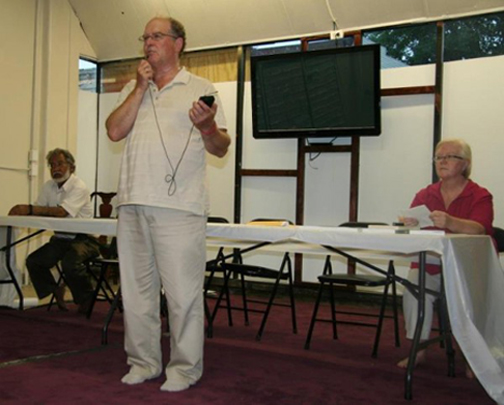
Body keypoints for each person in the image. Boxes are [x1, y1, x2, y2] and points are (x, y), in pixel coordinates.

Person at [105, 16, 230, 392]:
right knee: (137, 294)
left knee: (182, 296)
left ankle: (184, 369)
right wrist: (140, 87)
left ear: (178, 43)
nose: (148, 43)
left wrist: (207, 127)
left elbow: (222, 145)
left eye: (157, 36)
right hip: (132, 202)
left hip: (179, 209)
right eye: (145, 37)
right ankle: (143, 362)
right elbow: (114, 130)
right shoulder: (133, 87)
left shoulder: (200, 87)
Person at [397, 138, 494, 376]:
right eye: (438, 157)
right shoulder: (425, 194)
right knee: (412, 286)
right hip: (430, 262)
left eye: (450, 156)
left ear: (465, 164)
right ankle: (418, 349)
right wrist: (409, 223)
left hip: (466, 266)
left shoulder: (479, 195)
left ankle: (471, 355)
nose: (442, 161)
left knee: (466, 299)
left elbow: (480, 229)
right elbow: (412, 229)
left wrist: (450, 222)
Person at [8, 148, 100, 313]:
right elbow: (39, 209)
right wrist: (20, 214)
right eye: (52, 165)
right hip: (61, 238)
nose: (55, 168)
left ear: (71, 167)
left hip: (84, 239)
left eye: (60, 164)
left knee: (70, 263)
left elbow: (61, 212)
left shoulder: (79, 186)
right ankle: (55, 289)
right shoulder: (48, 186)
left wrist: (28, 208)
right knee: (34, 261)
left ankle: (86, 298)